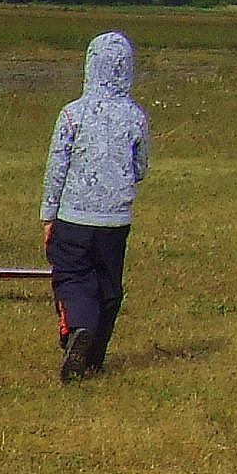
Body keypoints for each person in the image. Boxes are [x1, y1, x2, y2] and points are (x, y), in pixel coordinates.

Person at [41, 30, 147, 380]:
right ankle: (94, 357)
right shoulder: (135, 116)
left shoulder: (72, 114)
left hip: (73, 216)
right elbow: (141, 167)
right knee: (108, 287)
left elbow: (57, 168)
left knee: (72, 279)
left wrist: (49, 215)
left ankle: (78, 331)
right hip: (116, 220)